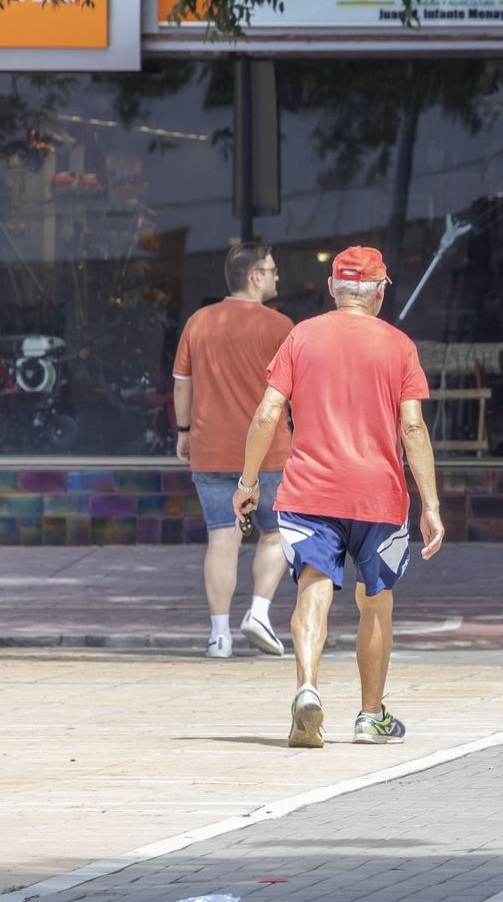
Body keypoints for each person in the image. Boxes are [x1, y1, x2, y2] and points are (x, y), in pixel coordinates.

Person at [233, 246, 444, 748]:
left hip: (310, 491)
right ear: (380, 291)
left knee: (313, 585)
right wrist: (431, 505)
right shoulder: (399, 346)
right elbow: (412, 428)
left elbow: (266, 416)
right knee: (376, 600)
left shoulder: (301, 336)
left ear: (333, 288)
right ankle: (371, 716)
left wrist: (247, 483)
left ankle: (307, 689)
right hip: (380, 495)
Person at [173, 242, 294, 659]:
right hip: (269, 453)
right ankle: (259, 611)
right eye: (273, 270)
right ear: (254, 276)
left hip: (209, 449)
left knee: (221, 537)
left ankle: (218, 636)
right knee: (277, 532)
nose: (278, 277)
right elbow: (297, 393)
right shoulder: (280, 328)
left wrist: (184, 431)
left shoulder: (198, 322)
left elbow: (182, 384)